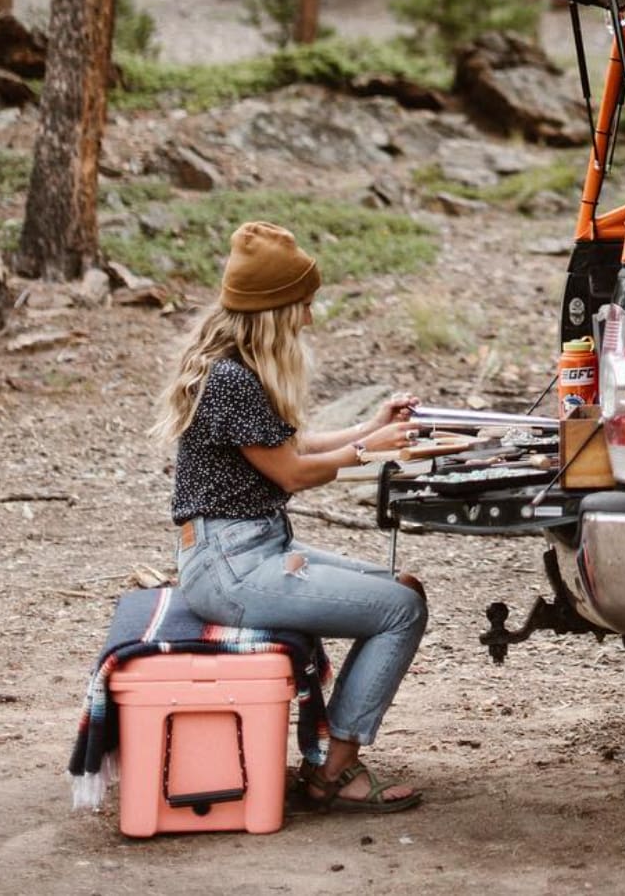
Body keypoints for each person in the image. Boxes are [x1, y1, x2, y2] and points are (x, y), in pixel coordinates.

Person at [152, 219, 428, 814]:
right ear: (275, 310)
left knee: (401, 588)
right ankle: (333, 772)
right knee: (400, 610)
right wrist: (367, 452)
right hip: (230, 567)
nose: (309, 318)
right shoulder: (230, 380)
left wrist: (370, 428)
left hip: (249, 551)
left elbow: (292, 444)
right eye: (303, 305)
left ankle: (330, 753)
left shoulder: (235, 370)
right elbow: (294, 473)